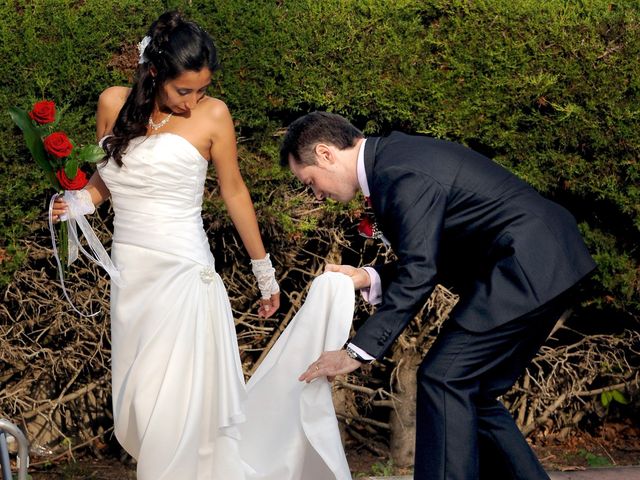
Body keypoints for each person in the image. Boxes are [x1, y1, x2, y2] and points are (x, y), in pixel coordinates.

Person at [286, 111, 596, 480]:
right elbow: (434, 254)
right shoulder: (394, 159)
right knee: (472, 393)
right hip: (542, 261)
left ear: (325, 154)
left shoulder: (397, 171)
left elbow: (421, 270)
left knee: (444, 379)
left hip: (523, 265)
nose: (316, 194)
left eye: (310, 183)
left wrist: (357, 352)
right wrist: (368, 276)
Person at [51, 11, 284, 479]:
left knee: (177, 401)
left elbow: (234, 191)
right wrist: (77, 204)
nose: (194, 101)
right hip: (132, 277)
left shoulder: (213, 115)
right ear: (154, 72)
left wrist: (264, 273)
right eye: (184, 91)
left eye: (202, 89)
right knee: (140, 400)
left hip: (183, 273)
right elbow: (108, 180)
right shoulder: (112, 104)